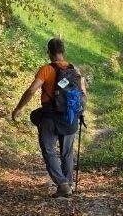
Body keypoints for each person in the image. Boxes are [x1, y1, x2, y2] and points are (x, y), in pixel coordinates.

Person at [11, 37, 87, 197]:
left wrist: (19, 108)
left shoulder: (46, 69)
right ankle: (68, 185)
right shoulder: (75, 70)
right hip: (70, 118)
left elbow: (32, 90)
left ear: (49, 52)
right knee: (67, 153)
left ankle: (62, 184)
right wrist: (80, 114)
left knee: (48, 150)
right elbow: (82, 94)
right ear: (63, 52)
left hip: (50, 117)